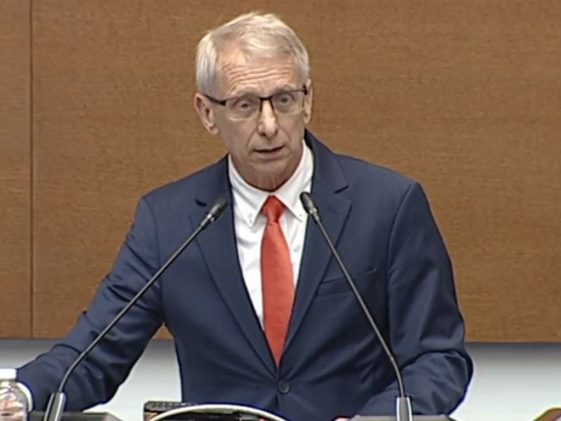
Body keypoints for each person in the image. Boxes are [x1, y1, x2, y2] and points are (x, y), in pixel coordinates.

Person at [7, 11, 472, 421]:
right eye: (245, 105)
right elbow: (95, 352)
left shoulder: (388, 206)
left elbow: (437, 358)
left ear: (308, 100)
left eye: (284, 100)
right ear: (207, 113)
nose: (269, 125)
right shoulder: (168, 222)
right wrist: (20, 395)